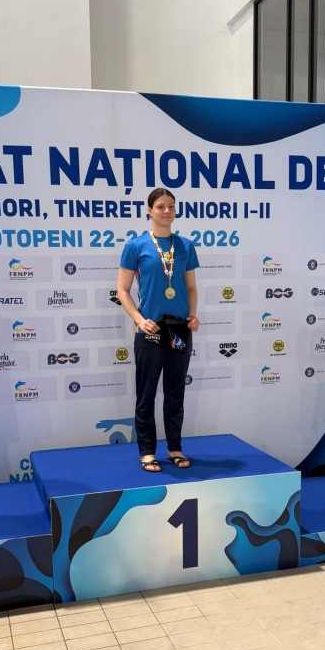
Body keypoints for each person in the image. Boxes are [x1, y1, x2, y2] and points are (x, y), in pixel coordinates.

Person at [117, 188, 200, 471]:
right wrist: (139, 320)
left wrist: (192, 316)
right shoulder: (136, 246)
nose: (167, 211)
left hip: (179, 331)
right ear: (149, 210)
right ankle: (147, 453)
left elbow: (190, 288)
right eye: (161, 206)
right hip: (150, 331)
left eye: (171, 206)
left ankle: (175, 448)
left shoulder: (185, 246)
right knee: (147, 394)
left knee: (176, 393)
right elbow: (123, 290)